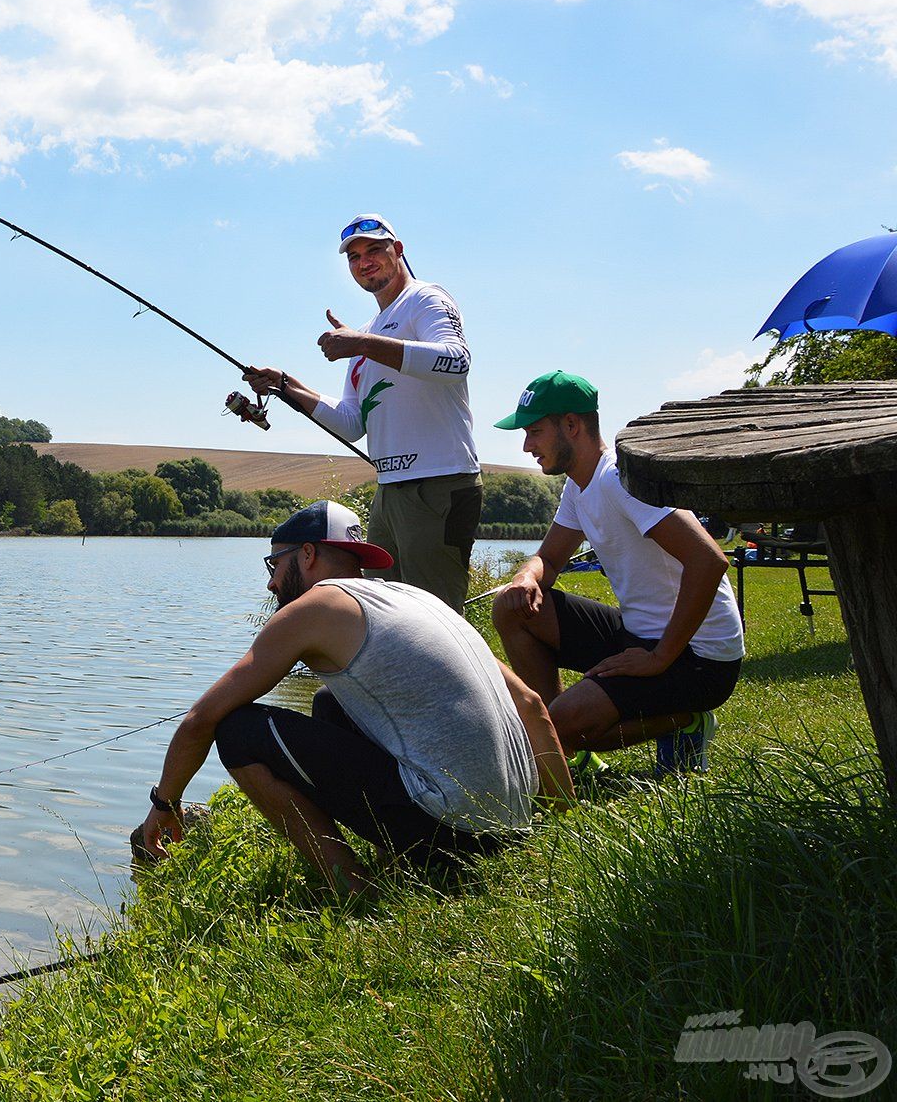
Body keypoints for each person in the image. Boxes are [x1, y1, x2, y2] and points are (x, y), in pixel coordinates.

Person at [134, 501, 571, 897]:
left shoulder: (316, 607)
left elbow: (201, 720)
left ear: (307, 555)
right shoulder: (415, 598)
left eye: (274, 563)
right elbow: (532, 705)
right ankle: (397, 859)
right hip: (512, 829)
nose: (270, 583)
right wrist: (561, 829)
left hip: (452, 832)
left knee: (238, 731)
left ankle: (354, 890)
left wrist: (164, 804)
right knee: (329, 703)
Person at [490, 372, 744, 773]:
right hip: (638, 634)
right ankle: (565, 748)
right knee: (511, 606)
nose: (527, 446)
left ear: (571, 425)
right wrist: (526, 577)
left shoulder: (619, 480)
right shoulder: (578, 487)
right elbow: (550, 561)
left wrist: (660, 657)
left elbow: (708, 559)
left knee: (560, 727)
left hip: (699, 657)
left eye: (535, 431)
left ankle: (687, 720)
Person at [245, 214, 483, 613]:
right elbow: (352, 423)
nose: (364, 261)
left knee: (439, 620)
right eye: (354, 256)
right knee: (387, 618)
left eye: (375, 249)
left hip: (440, 483)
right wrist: (286, 385)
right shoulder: (369, 331)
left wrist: (364, 343)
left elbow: (457, 361)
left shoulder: (425, 299)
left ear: (398, 251)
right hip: (389, 491)